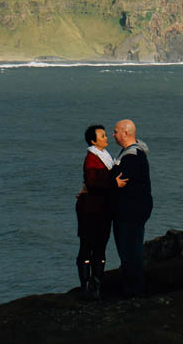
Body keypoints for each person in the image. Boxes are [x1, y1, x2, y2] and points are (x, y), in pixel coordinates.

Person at [74, 124, 122, 300]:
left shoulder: (104, 157)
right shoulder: (92, 159)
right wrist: (114, 184)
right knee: (88, 245)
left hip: (101, 209)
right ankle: (88, 284)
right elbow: (93, 183)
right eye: (102, 136)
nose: (106, 137)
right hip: (90, 210)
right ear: (93, 141)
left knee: (100, 246)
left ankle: (95, 282)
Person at [110, 118, 152, 297]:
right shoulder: (131, 153)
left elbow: (120, 179)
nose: (113, 135)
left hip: (131, 210)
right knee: (130, 248)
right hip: (134, 208)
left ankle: (133, 290)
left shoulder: (131, 157)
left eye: (116, 131)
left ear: (126, 133)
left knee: (130, 250)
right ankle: (132, 287)